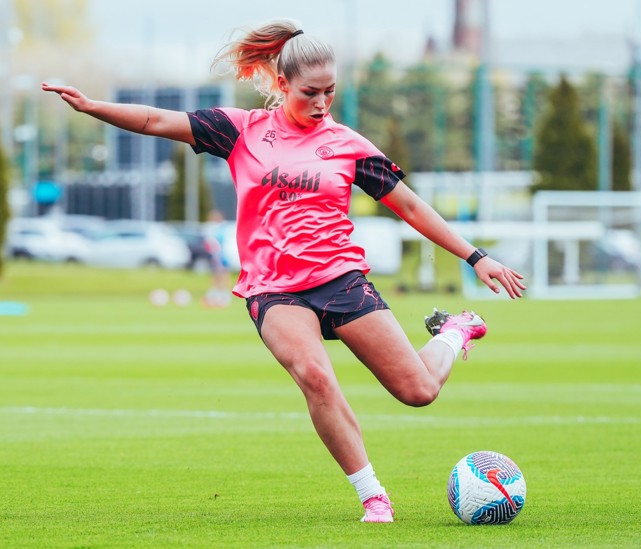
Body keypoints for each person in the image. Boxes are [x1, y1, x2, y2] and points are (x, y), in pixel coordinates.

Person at [42, 19, 525, 524]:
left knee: (418, 392)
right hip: (274, 292)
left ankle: (455, 329)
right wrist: (91, 106)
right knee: (315, 376)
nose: (322, 103)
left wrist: (476, 257)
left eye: (330, 92)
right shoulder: (241, 130)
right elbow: (153, 120)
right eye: (310, 92)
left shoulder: (348, 144)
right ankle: (373, 495)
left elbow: (411, 207)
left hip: (340, 281)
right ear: (281, 85)